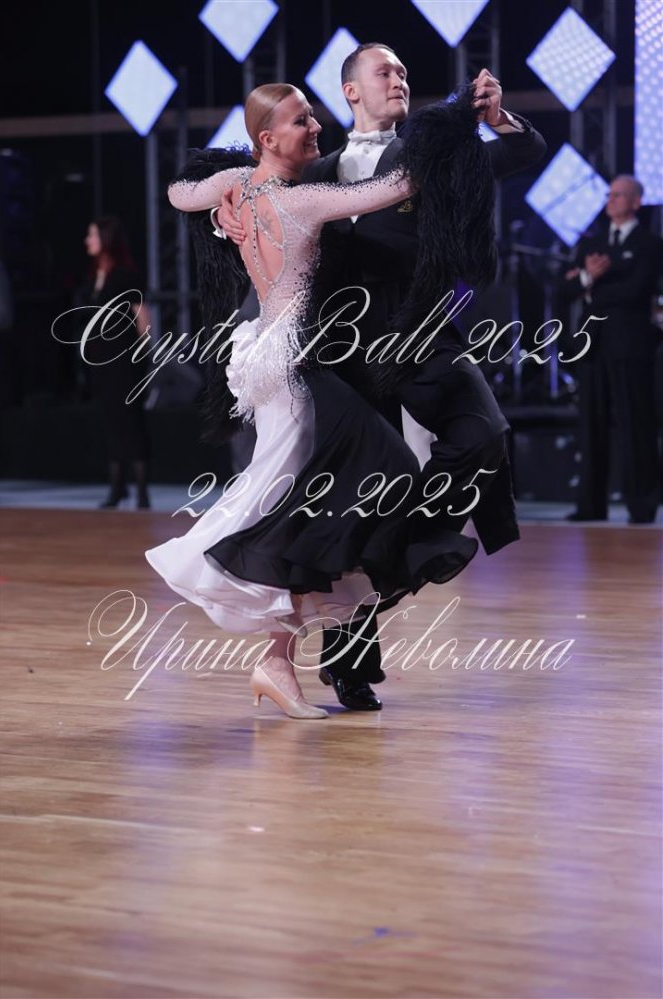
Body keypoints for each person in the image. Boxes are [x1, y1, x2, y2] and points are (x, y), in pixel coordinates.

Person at [145, 82, 497, 720]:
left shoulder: (239, 184)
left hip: (273, 358)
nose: (315, 127)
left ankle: (278, 660)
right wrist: (454, 116)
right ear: (267, 138)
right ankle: (257, 630)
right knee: (314, 491)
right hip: (293, 367)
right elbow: (400, 185)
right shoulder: (301, 200)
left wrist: (223, 197)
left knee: (304, 498)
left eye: (312, 116)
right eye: (301, 120)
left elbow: (176, 191)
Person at [217, 44, 547, 711]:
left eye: (403, 71)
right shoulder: (319, 171)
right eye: (385, 71)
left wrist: (500, 119)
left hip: (423, 335)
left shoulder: (433, 155)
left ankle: (407, 545)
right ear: (350, 92)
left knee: (484, 434)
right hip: (345, 350)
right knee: (357, 501)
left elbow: (519, 154)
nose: (399, 79)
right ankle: (349, 664)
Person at [559, 175, 662, 524]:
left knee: (635, 423)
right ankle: (590, 504)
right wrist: (587, 279)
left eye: (619, 195)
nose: (612, 200)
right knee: (591, 425)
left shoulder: (650, 244)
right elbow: (565, 289)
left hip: (630, 345)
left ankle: (642, 504)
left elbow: (637, 290)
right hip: (593, 344)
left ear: (635, 202)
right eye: (610, 194)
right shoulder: (593, 244)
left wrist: (592, 288)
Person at [78, 216, 152, 508]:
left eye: (92, 235)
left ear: (106, 239)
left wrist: (143, 356)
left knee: (130, 420)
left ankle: (142, 490)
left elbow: (142, 318)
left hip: (124, 359)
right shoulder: (92, 278)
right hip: (99, 361)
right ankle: (117, 486)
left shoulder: (124, 276)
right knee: (110, 421)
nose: (87, 241)